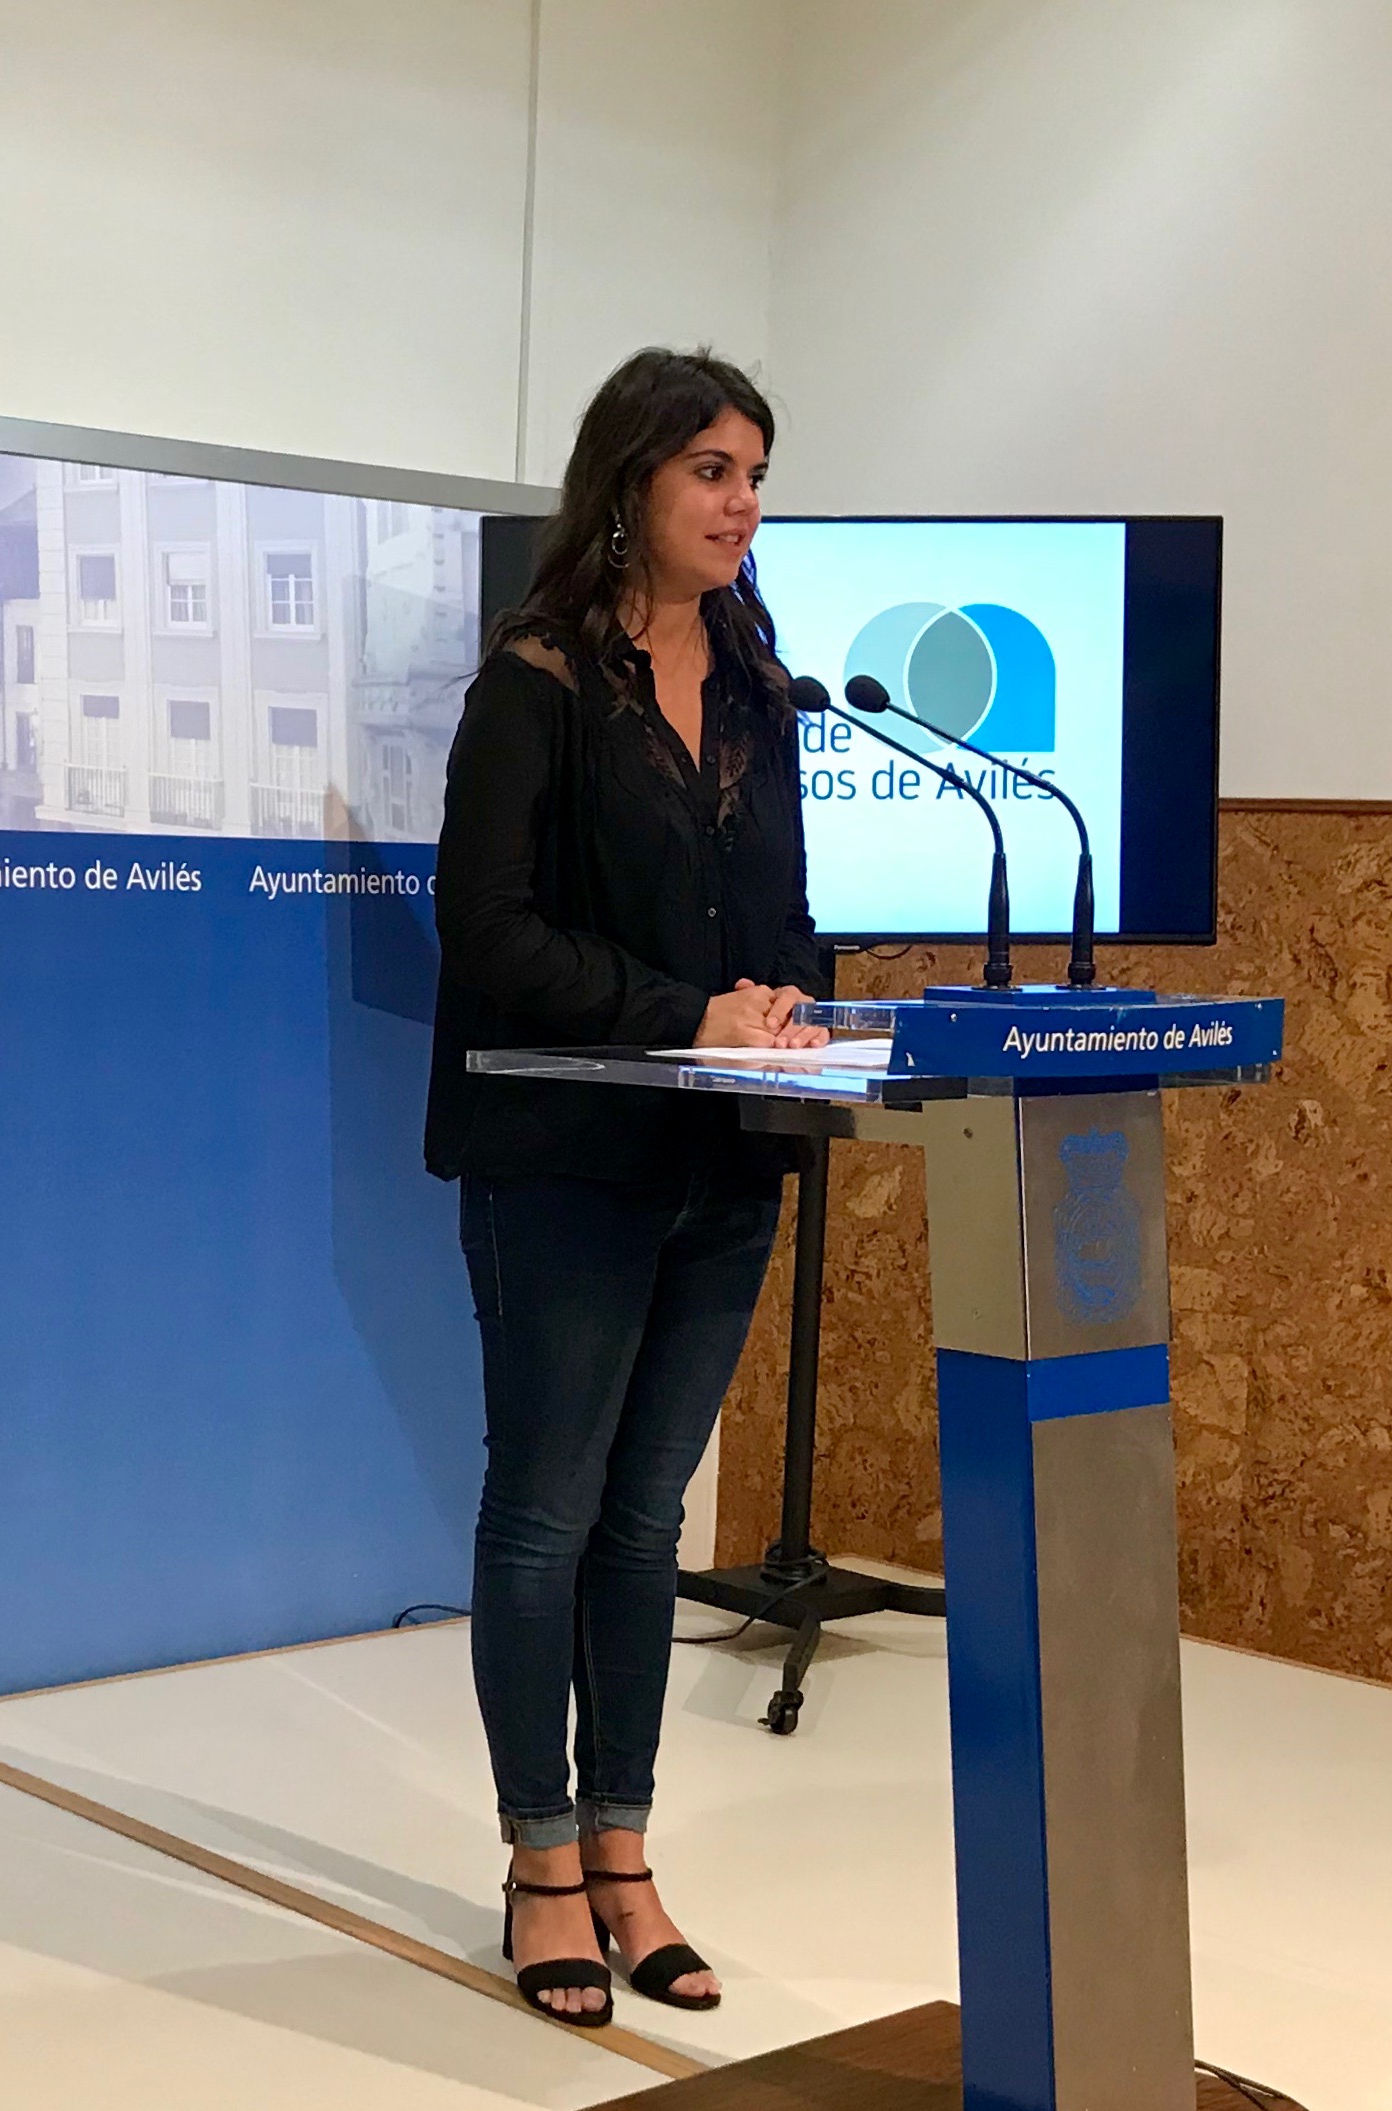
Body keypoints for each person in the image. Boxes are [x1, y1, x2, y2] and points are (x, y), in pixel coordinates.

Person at [426, 349, 826, 2025]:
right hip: (563, 1157)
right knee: (547, 1508)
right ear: (630, 483)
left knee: (647, 1517)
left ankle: (624, 1851)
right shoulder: (533, 681)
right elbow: (486, 932)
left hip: (723, 1155)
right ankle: (537, 1861)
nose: (742, 504)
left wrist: (792, 1009)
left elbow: (777, 914)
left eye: (755, 474)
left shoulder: (758, 685)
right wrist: (684, 1012)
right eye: (712, 471)